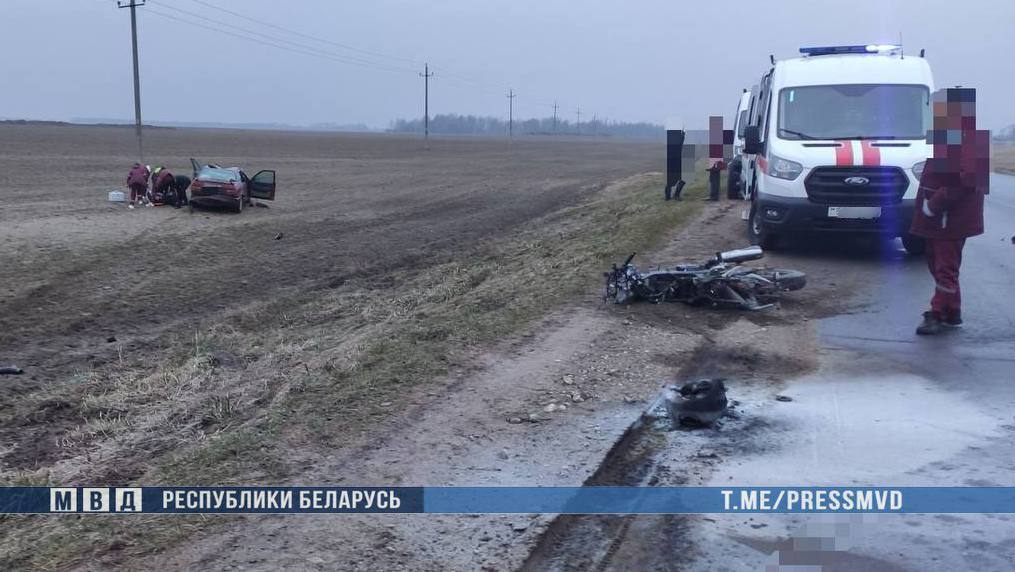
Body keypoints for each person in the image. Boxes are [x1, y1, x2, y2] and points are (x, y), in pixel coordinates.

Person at [910, 87, 989, 336]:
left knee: (945, 268)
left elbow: (963, 183)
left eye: (941, 109)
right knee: (939, 264)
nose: (936, 113)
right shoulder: (953, 136)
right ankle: (952, 312)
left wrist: (933, 205)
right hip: (943, 219)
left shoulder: (968, 140)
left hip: (948, 219)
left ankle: (937, 313)